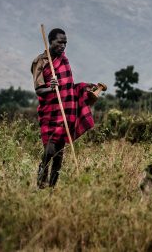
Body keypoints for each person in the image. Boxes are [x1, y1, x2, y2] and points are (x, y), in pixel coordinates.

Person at [31, 28, 96, 188]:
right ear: (51, 41)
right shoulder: (40, 61)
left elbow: (69, 87)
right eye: (60, 42)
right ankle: (41, 183)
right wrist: (51, 88)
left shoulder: (64, 60)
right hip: (50, 112)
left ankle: (52, 187)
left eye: (65, 43)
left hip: (65, 111)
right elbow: (38, 89)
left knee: (59, 153)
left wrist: (84, 88)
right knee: (49, 150)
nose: (63, 46)